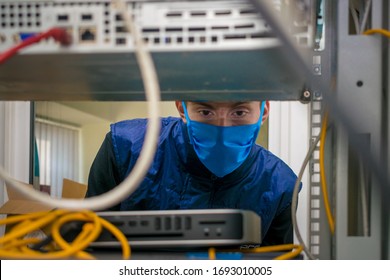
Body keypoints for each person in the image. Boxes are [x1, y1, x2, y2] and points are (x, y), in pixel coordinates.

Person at [87, 101, 300, 246]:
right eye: (206, 112)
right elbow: (87, 245)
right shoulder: (125, 149)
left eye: (240, 112)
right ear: (182, 108)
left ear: (263, 112)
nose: (222, 128)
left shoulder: (280, 185)